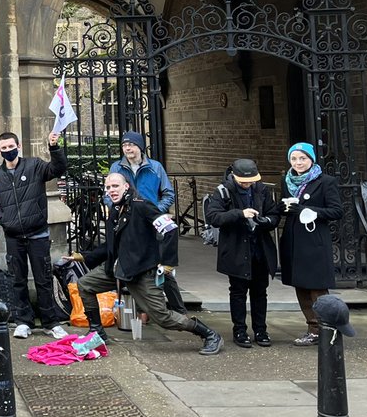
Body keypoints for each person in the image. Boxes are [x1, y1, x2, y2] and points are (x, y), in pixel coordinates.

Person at [71, 172, 223, 354]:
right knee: (85, 285)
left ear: (126, 186)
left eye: (115, 186)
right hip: (119, 269)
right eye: (108, 187)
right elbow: (111, 246)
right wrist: (85, 256)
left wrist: (168, 263)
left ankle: (210, 334)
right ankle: (97, 332)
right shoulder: (116, 209)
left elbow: (170, 229)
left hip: (141, 271)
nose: (111, 190)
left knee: (162, 317)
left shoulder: (141, 206)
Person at [0, 130, 69, 340]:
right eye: (4, 148)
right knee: (17, 280)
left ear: (19, 146)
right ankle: (23, 321)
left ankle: (51, 322)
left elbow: (58, 168)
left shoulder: (34, 166)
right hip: (13, 236)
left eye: (11, 146)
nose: (8, 151)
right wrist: (2, 219)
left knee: (43, 279)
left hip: (38, 234)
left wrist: (54, 147)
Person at [206, 158, 279, 348]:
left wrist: (267, 221)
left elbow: (274, 214)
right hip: (237, 249)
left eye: (251, 180)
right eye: (244, 181)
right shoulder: (223, 191)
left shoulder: (261, 190)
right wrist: (240, 213)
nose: (248, 184)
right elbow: (213, 217)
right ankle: (239, 330)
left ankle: (260, 330)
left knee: (260, 292)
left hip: (259, 248)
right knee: (238, 292)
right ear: (234, 176)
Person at [109, 131, 184, 314]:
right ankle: (141, 312)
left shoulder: (155, 167)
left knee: (159, 265)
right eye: (124, 145)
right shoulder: (117, 167)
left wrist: (156, 211)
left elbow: (168, 193)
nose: (127, 149)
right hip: (129, 223)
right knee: (132, 263)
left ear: (140, 147)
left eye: (132, 145)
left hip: (152, 224)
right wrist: (114, 208)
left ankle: (179, 311)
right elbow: (108, 193)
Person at [278, 142, 343, 346]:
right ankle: (312, 326)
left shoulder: (325, 181)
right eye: (294, 159)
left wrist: (312, 211)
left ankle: (325, 327)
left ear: (311, 159)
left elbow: (336, 211)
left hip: (314, 240)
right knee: (301, 285)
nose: (298, 163)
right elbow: (285, 205)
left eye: (303, 158)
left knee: (317, 286)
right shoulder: (286, 180)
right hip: (294, 238)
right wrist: (284, 208)